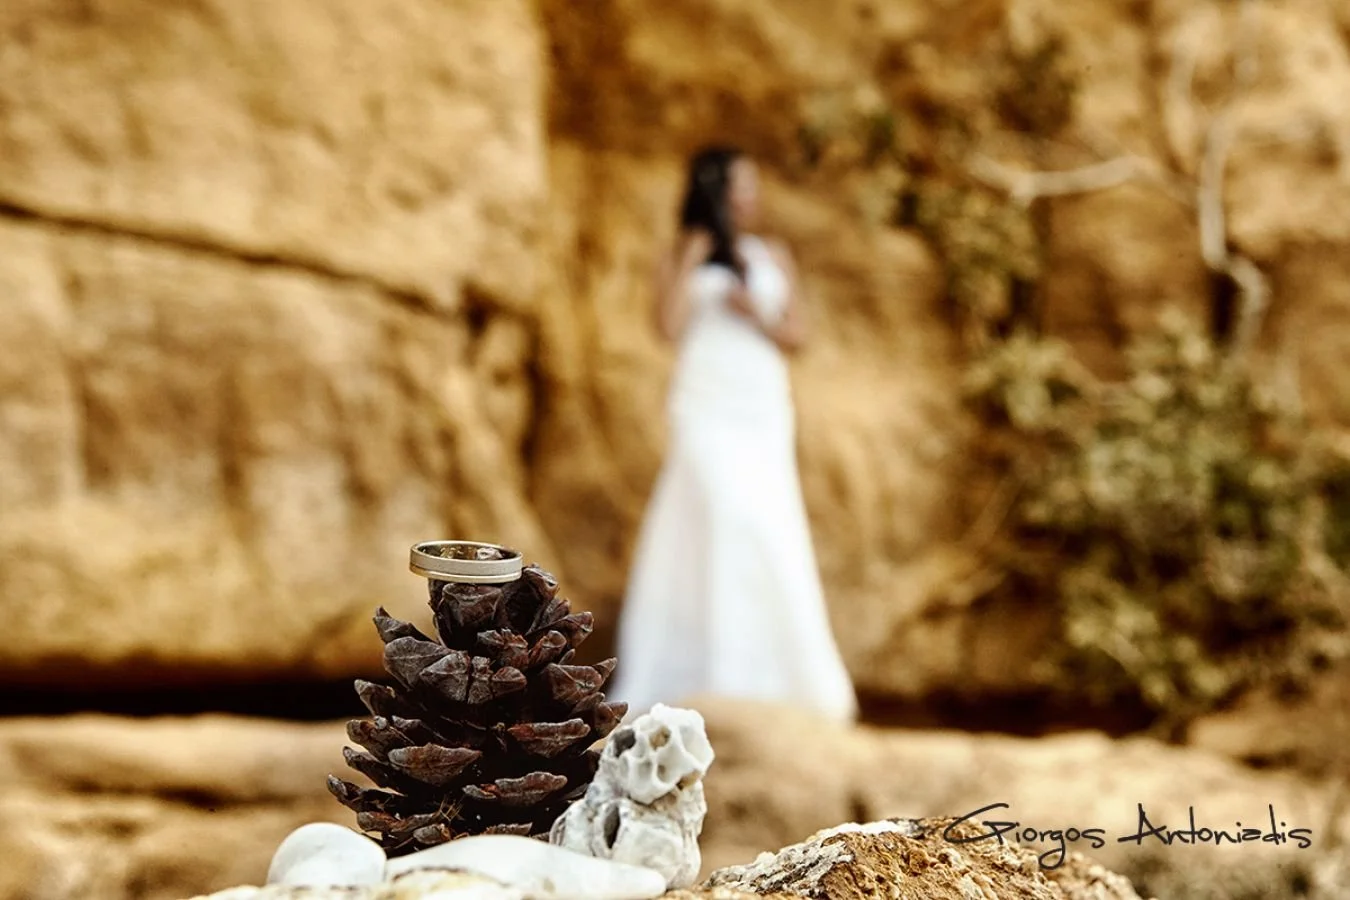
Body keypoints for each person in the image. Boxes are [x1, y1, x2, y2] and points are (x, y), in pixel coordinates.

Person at [608, 145, 858, 724]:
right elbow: (666, 328)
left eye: (753, 186)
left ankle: (774, 678)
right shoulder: (682, 251)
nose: (751, 197)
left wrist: (758, 315)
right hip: (704, 403)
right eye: (739, 186)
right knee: (716, 512)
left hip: (761, 405)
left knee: (767, 521)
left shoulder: (773, 254)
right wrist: (692, 259)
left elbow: (799, 335)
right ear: (714, 193)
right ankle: (703, 669)